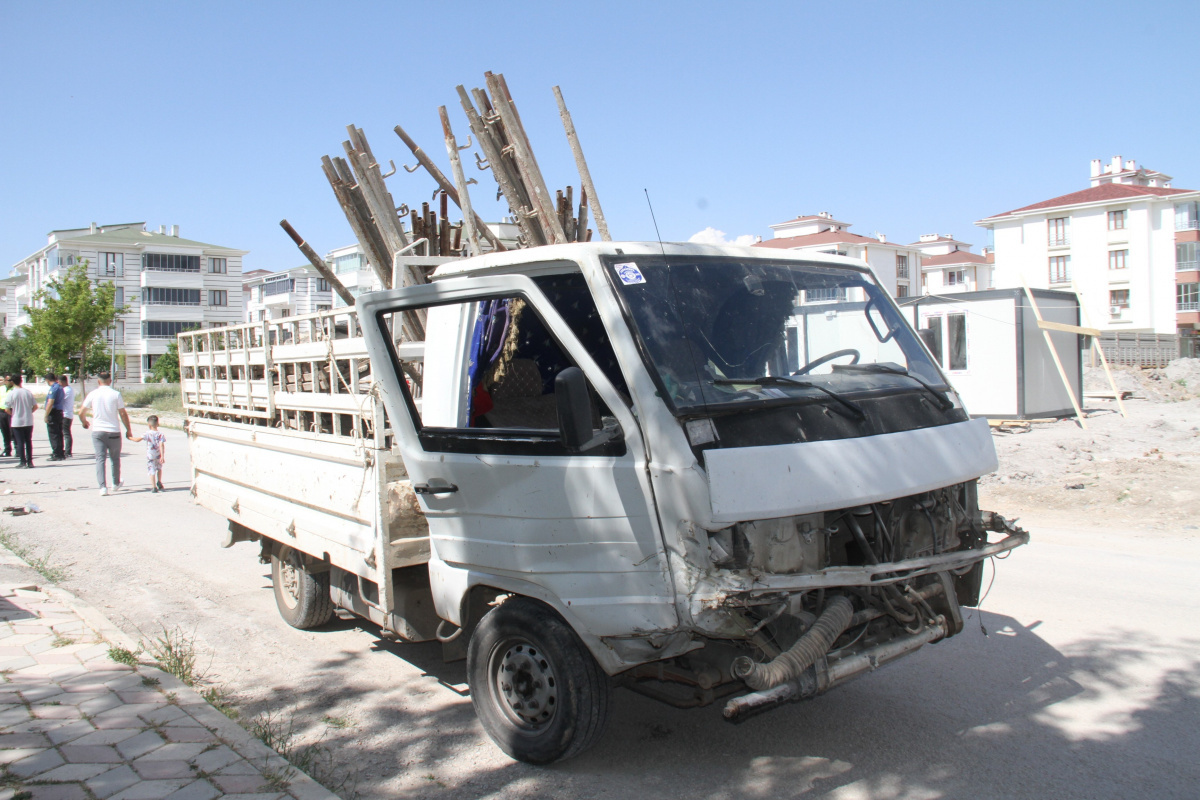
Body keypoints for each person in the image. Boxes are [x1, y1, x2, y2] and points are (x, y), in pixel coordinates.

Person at [78, 372, 133, 495]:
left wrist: (84, 422)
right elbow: (123, 413)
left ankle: (102, 487)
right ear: (110, 381)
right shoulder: (115, 394)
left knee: (100, 459)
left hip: (98, 431)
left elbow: (81, 412)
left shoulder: (93, 394)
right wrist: (128, 429)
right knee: (115, 458)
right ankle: (115, 483)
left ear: (98, 381)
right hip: (113, 431)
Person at [4, 375, 37, 468]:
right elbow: (35, 406)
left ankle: (23, 461)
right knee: (28, 441)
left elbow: (7, 409)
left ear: (12, 382)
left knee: (20, 442)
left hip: (17, 421)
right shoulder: (28, 392)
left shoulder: (12, 393)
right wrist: (29, 412)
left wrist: (13, 414)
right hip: (28, 420)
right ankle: (30, 461)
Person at [127, 415, 166, 492]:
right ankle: (159, 481)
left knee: (152, 470)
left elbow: (138, 439)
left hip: (151, 455)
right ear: (158, 424)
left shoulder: (147, 433)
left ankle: (154, 487)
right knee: (159, 468)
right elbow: (161, 445)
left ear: (149, 425)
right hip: (158, 455)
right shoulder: (161, 434)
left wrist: (130, 437)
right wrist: (162, 456)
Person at [43, 373, 65, 461]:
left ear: (47, 380)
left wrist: (46, 415)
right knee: (59, 433)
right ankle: (60, 452)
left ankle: (56, 453)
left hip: (54, 412)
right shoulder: (60, 387)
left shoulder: (53, 388)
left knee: (53, 434)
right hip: (59, 412)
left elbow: (50, 402)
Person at [58, 375, 74, 458]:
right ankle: (66, 450)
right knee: (65, 433)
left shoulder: (66, 390)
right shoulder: (69, 389)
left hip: (66, 414)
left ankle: (68, 451)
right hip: (68, 413)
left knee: (66, 433)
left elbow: (60, 400)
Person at [0, 374, 12, 457]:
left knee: (13, 431)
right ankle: (7, 449)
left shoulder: (14, 389)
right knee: (4, 431)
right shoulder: (1, 389)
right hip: (1, 411)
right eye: (6, 380)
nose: (7, 382)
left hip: (11, 411)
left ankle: (18, 449)